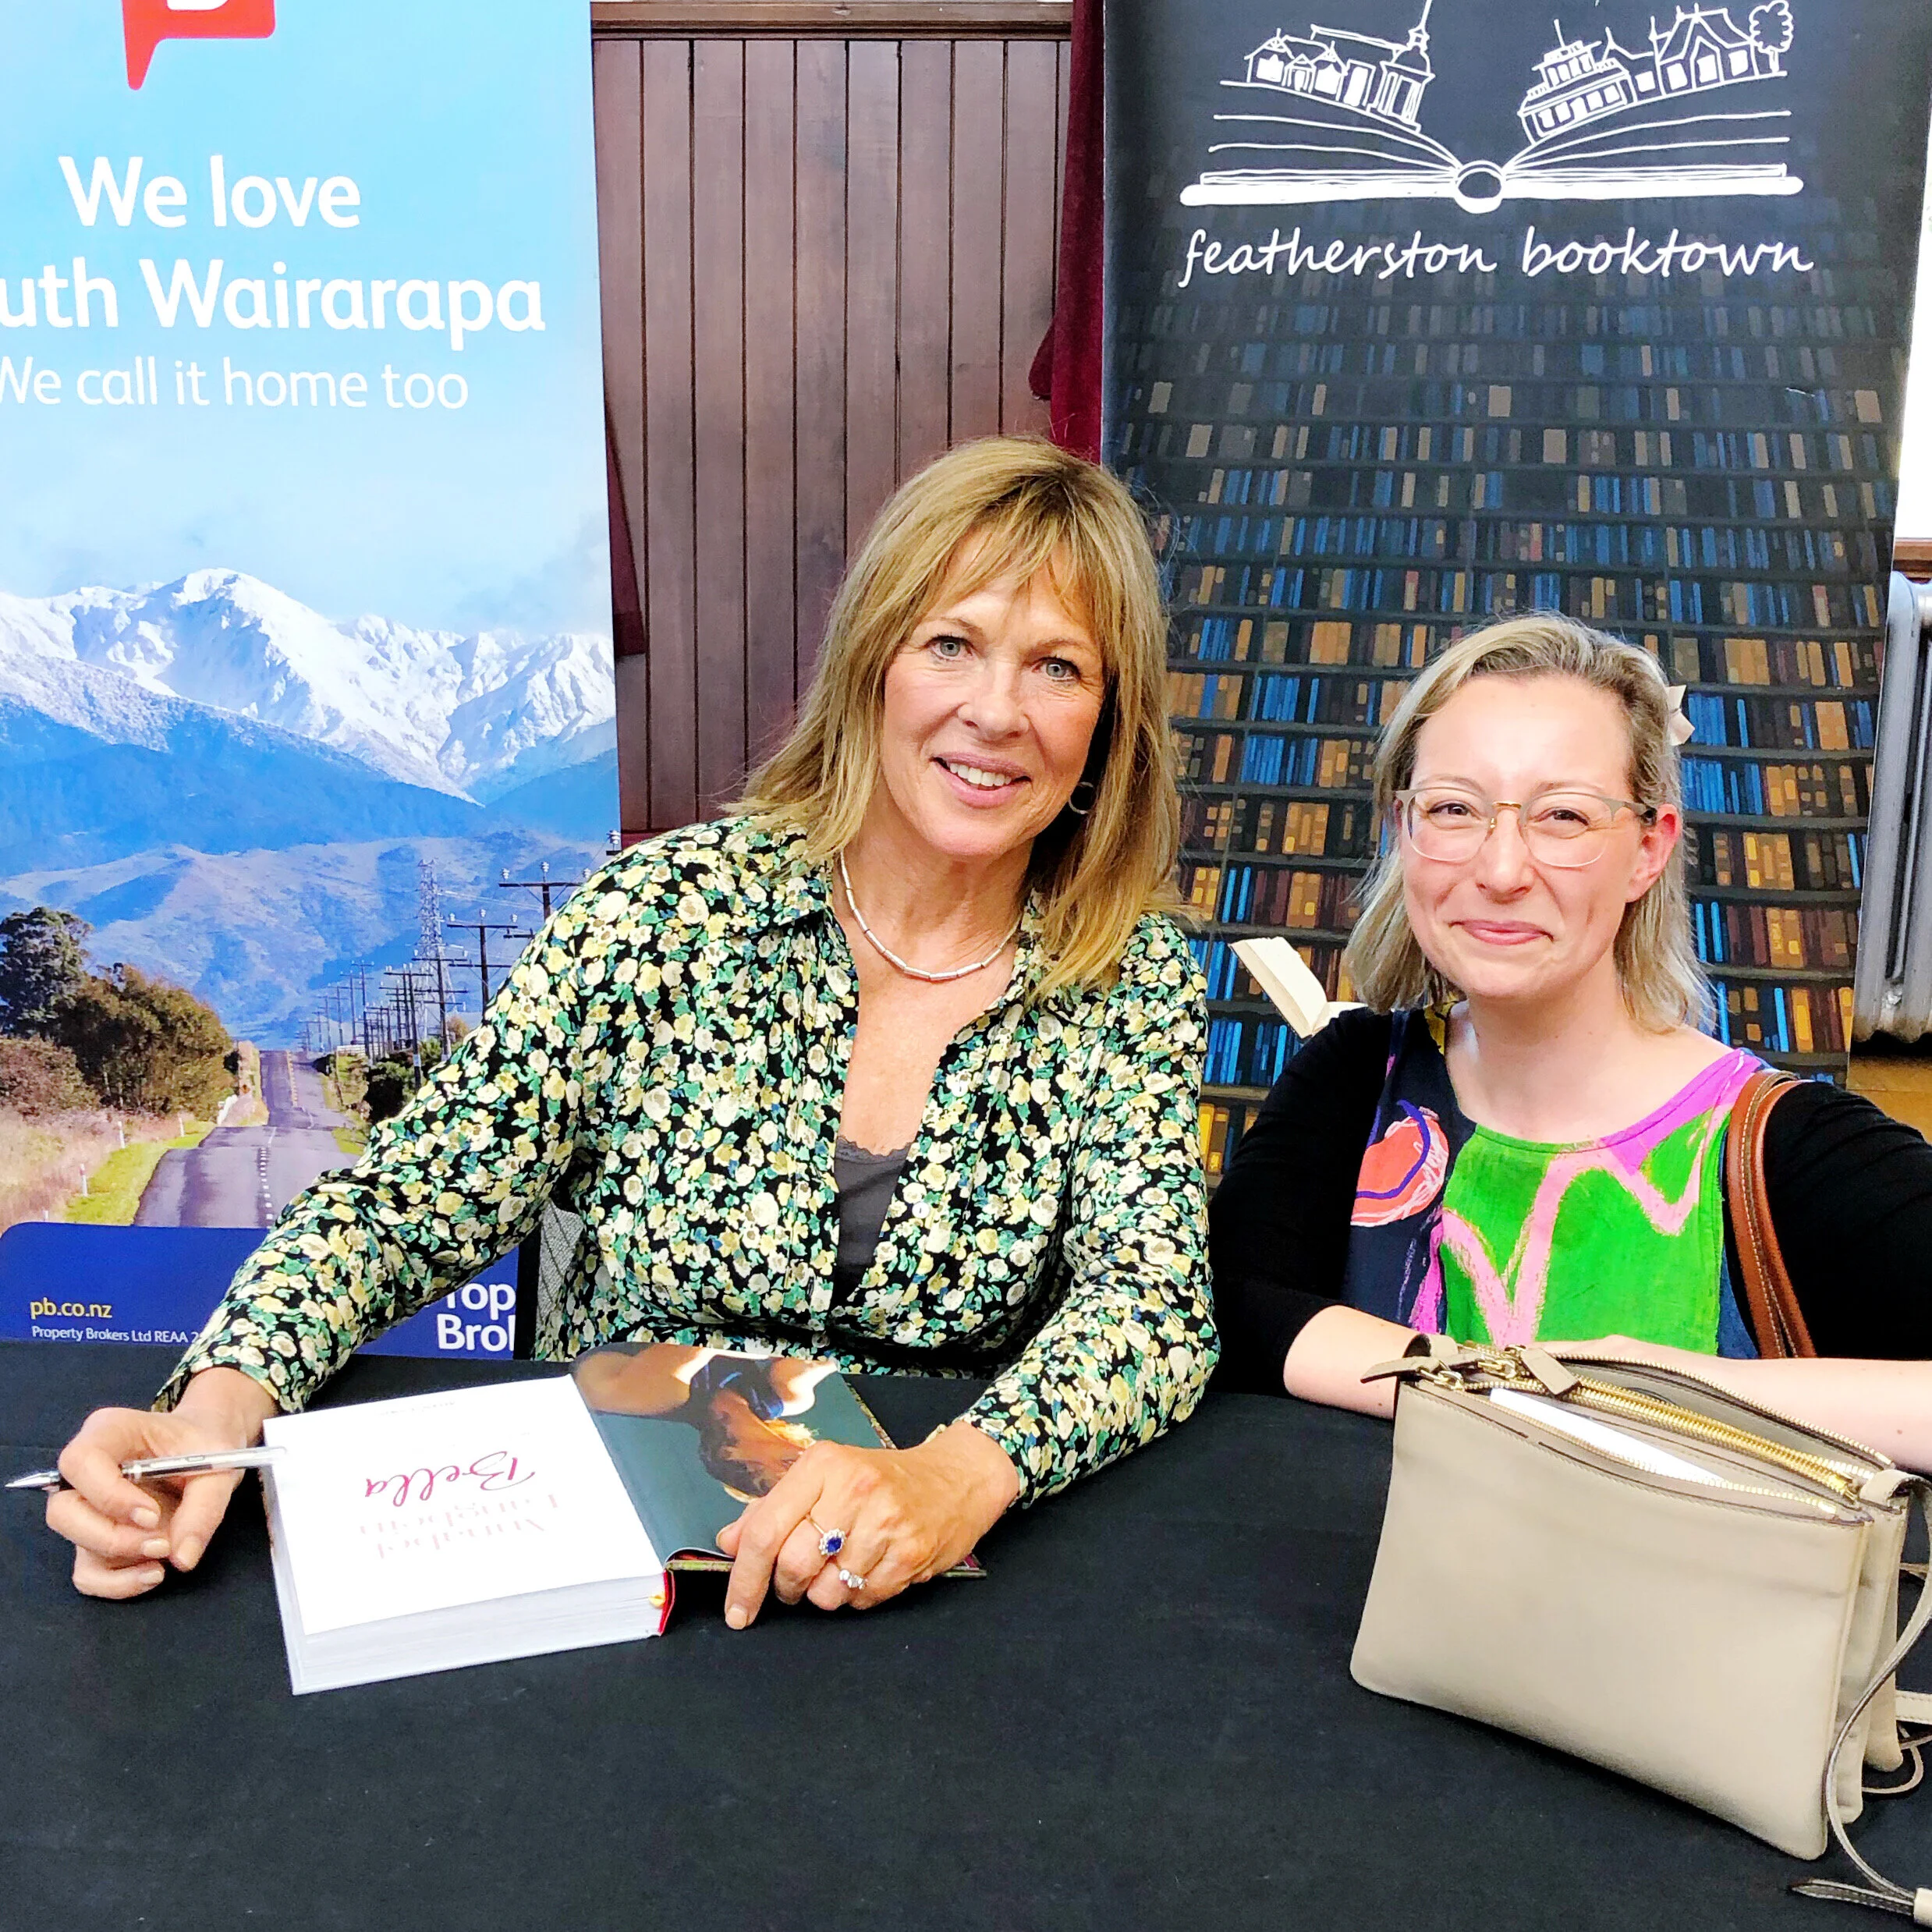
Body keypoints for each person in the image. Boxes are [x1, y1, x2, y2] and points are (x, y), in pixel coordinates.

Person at [50, 437, 1217, 1620]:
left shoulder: (1134, 977)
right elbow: (401, 1202)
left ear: (1106, 726)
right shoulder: (661, 914)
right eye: (952, 643)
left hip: (916, 1568)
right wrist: (215, 1404)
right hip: (606, 1547)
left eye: (1058, 667)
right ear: (874, 664)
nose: (996, 711)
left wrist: (955, 1475)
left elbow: (1151, 1308)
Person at [1209, 612, 1932, 1469]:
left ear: (1647, 849)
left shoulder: (1781, 1147)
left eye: (1562, 816)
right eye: (1451, 808)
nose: (1501, 868)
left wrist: (1659, 1386)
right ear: (1403, 831)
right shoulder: (1355, 1074)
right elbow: (1235, 1305)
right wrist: (1534, 1392)